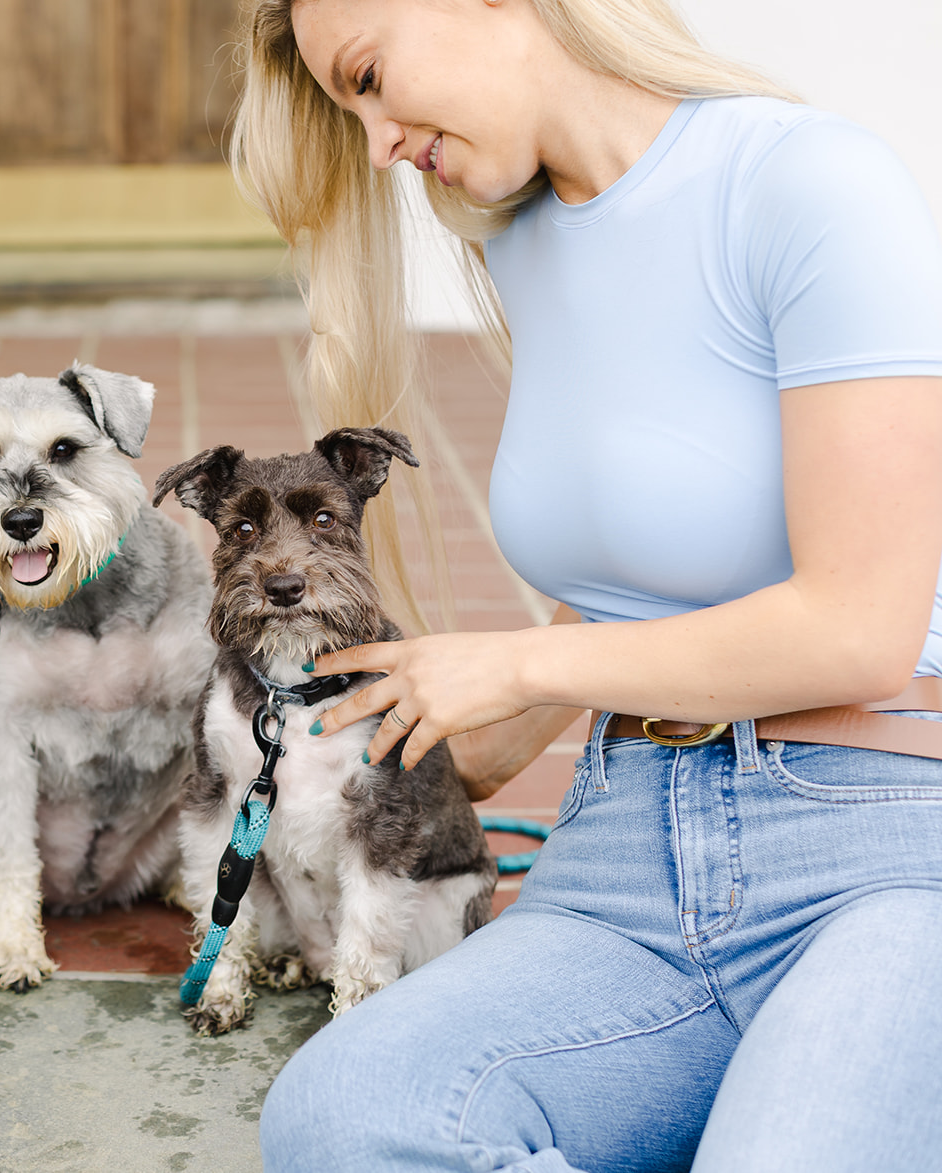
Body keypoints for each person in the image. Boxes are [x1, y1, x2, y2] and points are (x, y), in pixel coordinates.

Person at [232, 1, 942, 1170]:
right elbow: (651, 580)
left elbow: (861, 626)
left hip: (874, 841)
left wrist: (510, 662)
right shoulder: (521, 238)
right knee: (349, 1122)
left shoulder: (807, 181)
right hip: (627, 853)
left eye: (367, 77)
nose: (375, 144)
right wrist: (407, 756)